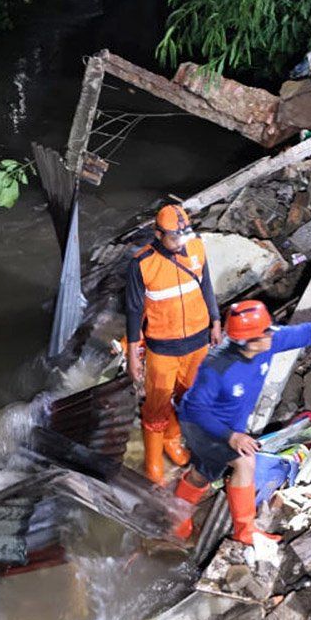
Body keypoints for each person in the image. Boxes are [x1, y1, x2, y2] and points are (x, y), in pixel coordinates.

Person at [172, 298, 311, 544]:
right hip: (203, 427)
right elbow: (193, 409)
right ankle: (244, 529)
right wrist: (231, 436)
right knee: (245, 462)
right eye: (264, 333)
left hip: (231, 426)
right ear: (244, 342)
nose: (271, 336)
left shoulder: (268, 341)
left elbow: (306, 333)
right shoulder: (217, 368)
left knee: (203, 474)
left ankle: (177, 515)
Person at [125, 204, 223, 484]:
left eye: (184, 234)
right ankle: (153, 460)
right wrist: (133, 355)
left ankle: (172, 439)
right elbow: (133, 310)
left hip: (198, 342)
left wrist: (215, 320)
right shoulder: (142, 263)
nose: (180, 241)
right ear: (158, 234)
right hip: (163, 348)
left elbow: (206, 286)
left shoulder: (197, 247)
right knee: (156, 403)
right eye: (173, 237)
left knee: (187, 397)